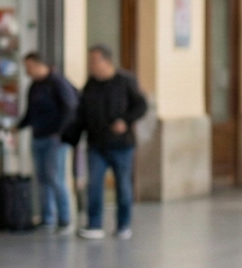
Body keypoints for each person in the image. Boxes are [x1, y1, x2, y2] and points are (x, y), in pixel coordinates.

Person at [69, 45, 147, 241]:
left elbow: (141, 105)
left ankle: (123, 225)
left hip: (122, 145)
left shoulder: (125, 81)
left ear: (107, 61)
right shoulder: (90, 85)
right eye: (90, 61)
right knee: (94, 184)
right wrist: (72, 137)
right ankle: (94, 224)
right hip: (96, 144)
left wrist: (125, 121)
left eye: (94, 61)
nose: (91, 65)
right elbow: (82, 114)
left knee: (123, 186)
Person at [16, 52, 78, 233]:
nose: (26, 71)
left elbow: (70, 107)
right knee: (42, 178)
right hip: (38, 136)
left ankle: (65, 219)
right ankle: (47, 218)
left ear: (37, 64)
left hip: (55, 139)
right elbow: (30, 113)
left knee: (55, 177)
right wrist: (19, 126)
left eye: (28, 66)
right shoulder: (34, 86)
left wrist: (60, 132)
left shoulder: (57, 82)